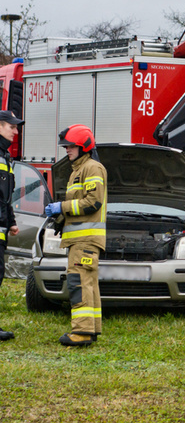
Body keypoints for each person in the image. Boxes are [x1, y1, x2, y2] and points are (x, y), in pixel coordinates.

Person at [44, 125, 107, 347]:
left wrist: (61, 207)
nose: (67, 150)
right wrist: (59, 217)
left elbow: (93, 202)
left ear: (84, 147)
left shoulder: (92, 168)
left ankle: (81, 332)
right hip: (80, 240)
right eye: (66, 146)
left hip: (85, 240)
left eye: (71, 146)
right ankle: (91, 329)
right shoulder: (78, 170)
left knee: (79, 282)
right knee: (87, 283)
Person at [0, 111, 24, 342]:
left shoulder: (4, 156)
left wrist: (12, 222)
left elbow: (5, 197)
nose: (15, 132)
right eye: (11, 127)